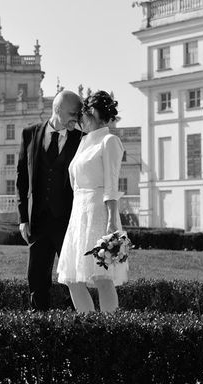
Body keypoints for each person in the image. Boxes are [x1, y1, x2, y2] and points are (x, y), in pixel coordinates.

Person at [57, 90, 127, 313]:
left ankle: (110, 328)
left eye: (82, 116)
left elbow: (111, 185)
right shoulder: (85, 141)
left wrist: (112, 223)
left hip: (99, 213)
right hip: (79, 214)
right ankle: (90, 327)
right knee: (72, 278)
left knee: (101, 276)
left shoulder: (109, 141)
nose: (79, 121)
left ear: (93, 113)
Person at [16, 89, 83, 310]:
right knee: (36, 278)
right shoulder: (29, 134)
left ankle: (72, 326)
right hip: (38, 221)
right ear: (59, 109)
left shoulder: (80, 140)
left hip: (68, 222)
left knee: (71, 280)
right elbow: (22, 179)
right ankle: (38, 325)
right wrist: (23, 218)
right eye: (74, 112)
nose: (78, 118)